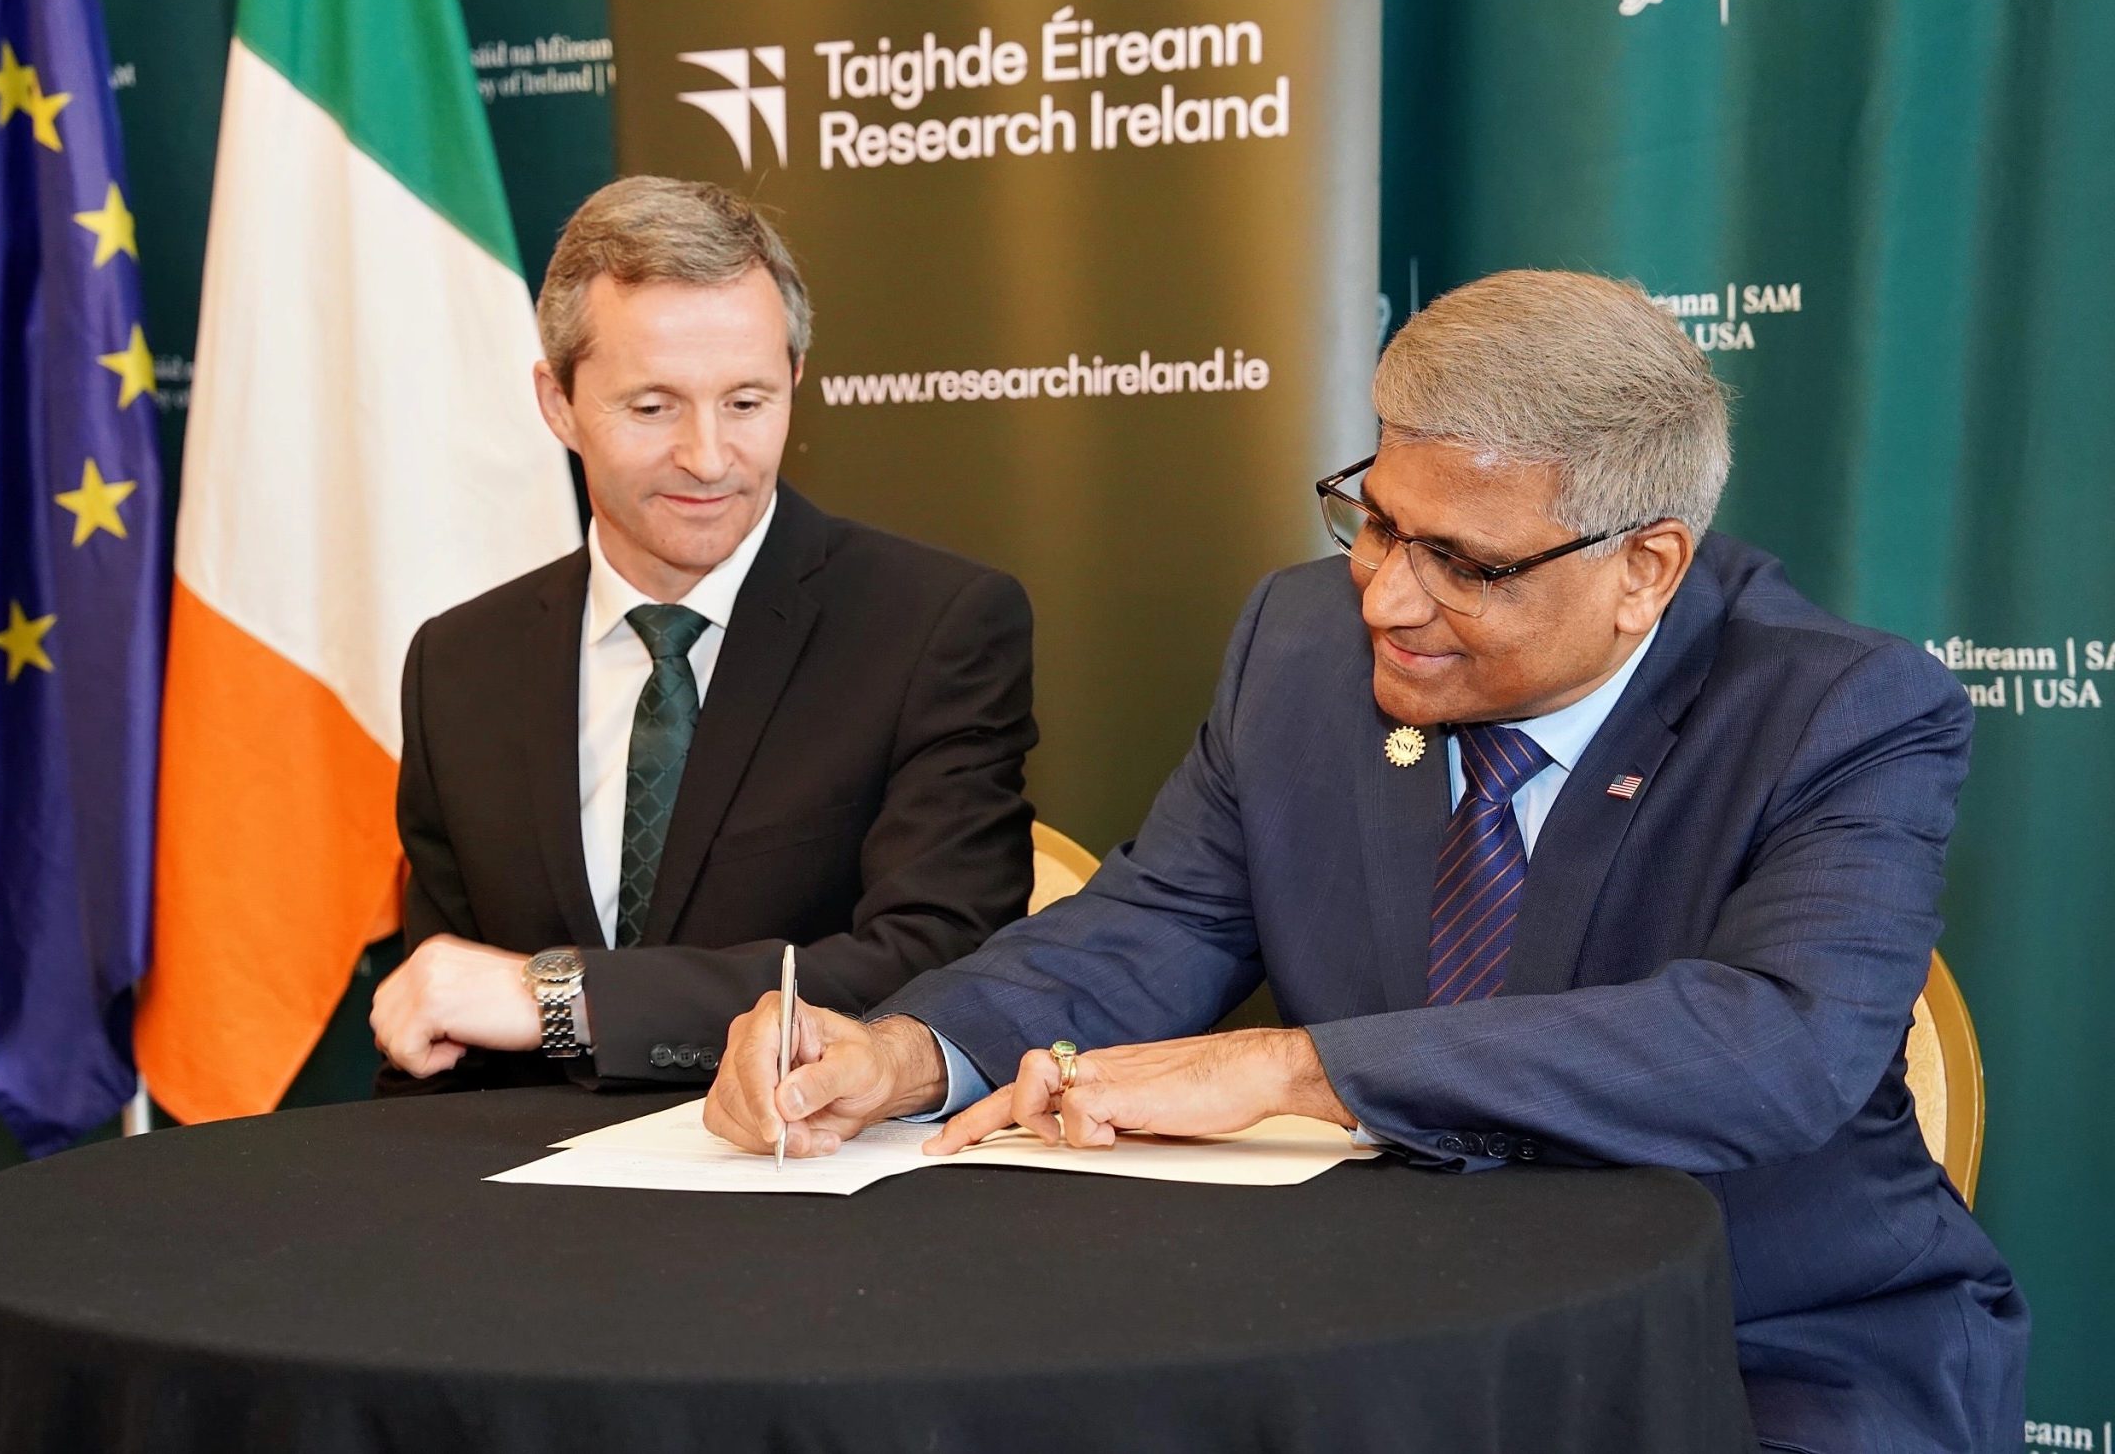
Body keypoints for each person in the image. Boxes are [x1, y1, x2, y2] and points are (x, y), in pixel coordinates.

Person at [703, 270, 2026, 1454]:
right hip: (1377, 1331)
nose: (1387, 595)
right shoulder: (1299, 642)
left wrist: (1304, 1064)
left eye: (1464, 562)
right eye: (1378, 522)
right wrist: (905, 1053)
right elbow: (1158, 919)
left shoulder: (1841, 711)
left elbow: (1781, 1045)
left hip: (1754, 1343)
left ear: (1647, 568)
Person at [369, 175, 1036, 1094]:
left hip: (812, 1193)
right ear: (557, 402)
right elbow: (441, 1028)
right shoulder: (459, 666)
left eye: (748, 402)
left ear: (796, 378)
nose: (709, 456)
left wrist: (571, 997)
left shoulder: (933, 628)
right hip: (519, 1210)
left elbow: (939, 962)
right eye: (653, 407)